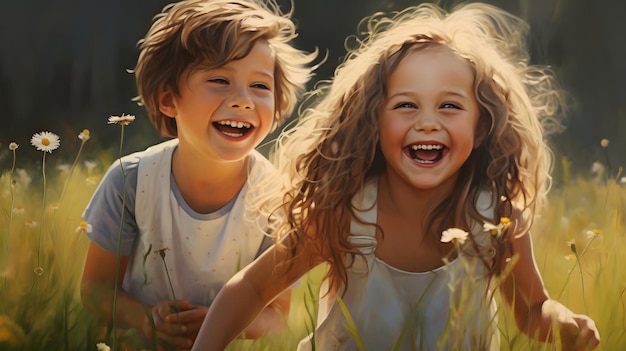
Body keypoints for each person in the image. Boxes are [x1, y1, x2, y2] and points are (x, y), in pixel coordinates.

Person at [191, 2, 601, 351]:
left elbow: (531, 310)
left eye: (450, 107)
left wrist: (564, 321)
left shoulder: (496, 220)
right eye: (406, 105)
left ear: (480, 127)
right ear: (373, 121)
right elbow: (251, 289)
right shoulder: (345, 214)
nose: (427, 123)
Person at [79, 0, 318, 349]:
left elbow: (277, 315)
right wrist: (146, 319)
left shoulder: (276, 199)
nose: (243, 100)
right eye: (220, 80)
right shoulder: (130, 182)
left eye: (260, 86)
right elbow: (95, 289)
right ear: (168, 99)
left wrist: (219, 323)